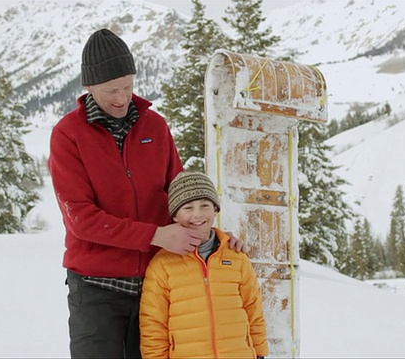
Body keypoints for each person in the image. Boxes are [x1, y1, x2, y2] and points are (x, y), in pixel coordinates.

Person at [48, 29, 244, 358]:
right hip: (97, 288)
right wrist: (155, 235)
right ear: (89, 86)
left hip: (158, 283)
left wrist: (216, 238)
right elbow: (81, 219)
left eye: (128, 86)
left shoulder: (155, 127)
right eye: (111, 90)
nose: (121, 97)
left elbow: (182, 198)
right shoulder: (68, 135)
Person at [140, 171, 269, 359]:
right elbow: (153, 324)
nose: (197, 215)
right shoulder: (163, 264)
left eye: (204, 206)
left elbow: (253, 309)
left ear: (215, 210)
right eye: (188, 208)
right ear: (175, 216)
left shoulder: (236, 257)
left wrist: (260, 352)